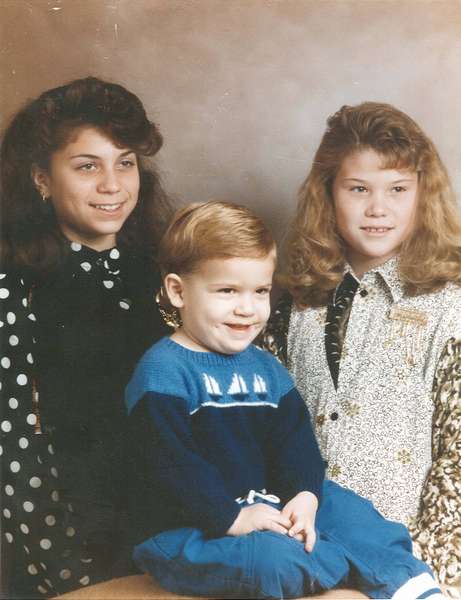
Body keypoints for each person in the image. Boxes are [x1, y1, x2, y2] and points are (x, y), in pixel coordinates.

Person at [125, 200, 443, 600]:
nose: (247, 308)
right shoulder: (163, 371)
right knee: (269, 560)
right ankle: (330, 562)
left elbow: (296, 443)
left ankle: (409, 583)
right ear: (177, 291)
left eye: (260, 291)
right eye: (227, 290)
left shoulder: (266, 368)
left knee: (351, 512)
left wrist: (304, 496)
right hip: (190, 525)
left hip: (263, 502)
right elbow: (170, 466)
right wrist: (233, 517)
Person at [262, 102, 461, 586]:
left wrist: (421, 567)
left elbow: (457, 457)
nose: (378, 209)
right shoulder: (294, 306)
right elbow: (262, 429)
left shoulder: (451, 308)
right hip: (302, 549)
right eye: (358, 189)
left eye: (398, 189)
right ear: (327, 193)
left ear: (423, 194)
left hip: (406, 558)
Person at [0, 76, 172, 598]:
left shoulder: (165, 274)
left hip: (175, 536)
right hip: (68, 546)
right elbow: (14, 448)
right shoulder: (15, 289)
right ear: (41, 179)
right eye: (87, 166)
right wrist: (69, 576)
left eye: (125, 162)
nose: (113, 185)